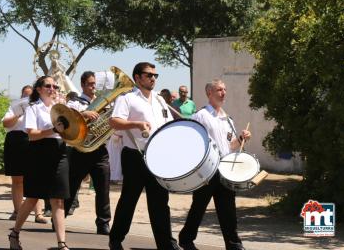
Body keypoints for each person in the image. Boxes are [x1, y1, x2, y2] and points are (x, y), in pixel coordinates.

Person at [108, 62, 180, 250]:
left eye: (156, 75)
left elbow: (168, 125)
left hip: (158, 156)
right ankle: (116, 239)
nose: (153, 78)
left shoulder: (159, 100)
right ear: (138, 77)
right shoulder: (127, 98)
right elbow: (114, 121)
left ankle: (166, 244)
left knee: (160, 202)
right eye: (149, 75)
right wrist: (136, 124)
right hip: (135, 155)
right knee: (129, 199)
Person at [178, 79, 251, 250]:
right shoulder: (201, 116)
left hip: (225, 170)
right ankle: (186, 240)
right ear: (209, 93)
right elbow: (192, 143)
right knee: (199, 207)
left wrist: (241, 139)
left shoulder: (228, 119)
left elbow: (230, 146)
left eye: (224, 89)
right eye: (219, 90)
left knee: (228, 210)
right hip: (207, 171)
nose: (223, 93)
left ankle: (233, 244)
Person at [8, 76, 71, 250]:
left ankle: (61, 244)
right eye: (48, 86)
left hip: (60, 152)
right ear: (39, 89)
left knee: (58, 200)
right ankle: (15, 233)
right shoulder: (33, 108)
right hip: (39, 153)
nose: (53, 89)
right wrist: (52, 130)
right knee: (32, 198)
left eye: (55, 86)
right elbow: (31, 134)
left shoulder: (61, 108)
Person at [65, 71, 111, 235]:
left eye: (95, 84)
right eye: (91, 84)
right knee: (71, 186)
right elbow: (67, 119)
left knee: (103, 189)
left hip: (100, 151)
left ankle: (103, 223)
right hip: (80, 150)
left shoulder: (104, 102)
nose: (94, 87)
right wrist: (84, 114)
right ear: (83, 85)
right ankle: (60, 217)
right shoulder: (75, 103)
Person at [2, 85, 47, 223]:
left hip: (33, 141)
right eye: (25, 96)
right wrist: (19, 113)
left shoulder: (39, 107)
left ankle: (38, 214)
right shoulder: (14, 107)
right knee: (17, 180)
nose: (27, 98)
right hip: (16, 141)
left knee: (35, 178)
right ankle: (17, 210)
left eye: (30, 96)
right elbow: (6, 123)